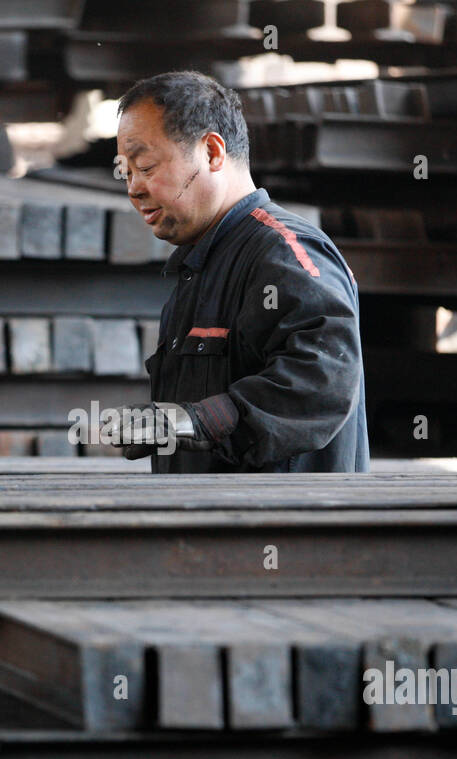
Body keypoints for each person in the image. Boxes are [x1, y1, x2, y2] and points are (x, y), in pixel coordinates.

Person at [102, 70, 369, 473]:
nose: (134, 188)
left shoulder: (284, 252)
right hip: (209, 529)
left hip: (282, 530)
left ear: (211, 152)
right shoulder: (200, 268)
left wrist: (196, 421)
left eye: (147, 166)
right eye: (127, 172)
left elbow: (322, 382)